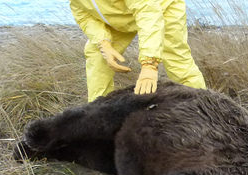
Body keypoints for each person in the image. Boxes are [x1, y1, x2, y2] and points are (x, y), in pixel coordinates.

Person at [70, 0, 206, 102]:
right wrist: (103, 42)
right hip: (122, 19)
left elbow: (148, 13)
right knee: (97, 55)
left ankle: (205, 109)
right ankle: (96, 115)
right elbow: (82, 13)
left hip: (160, 7)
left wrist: (149, 64)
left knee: (177, 61)